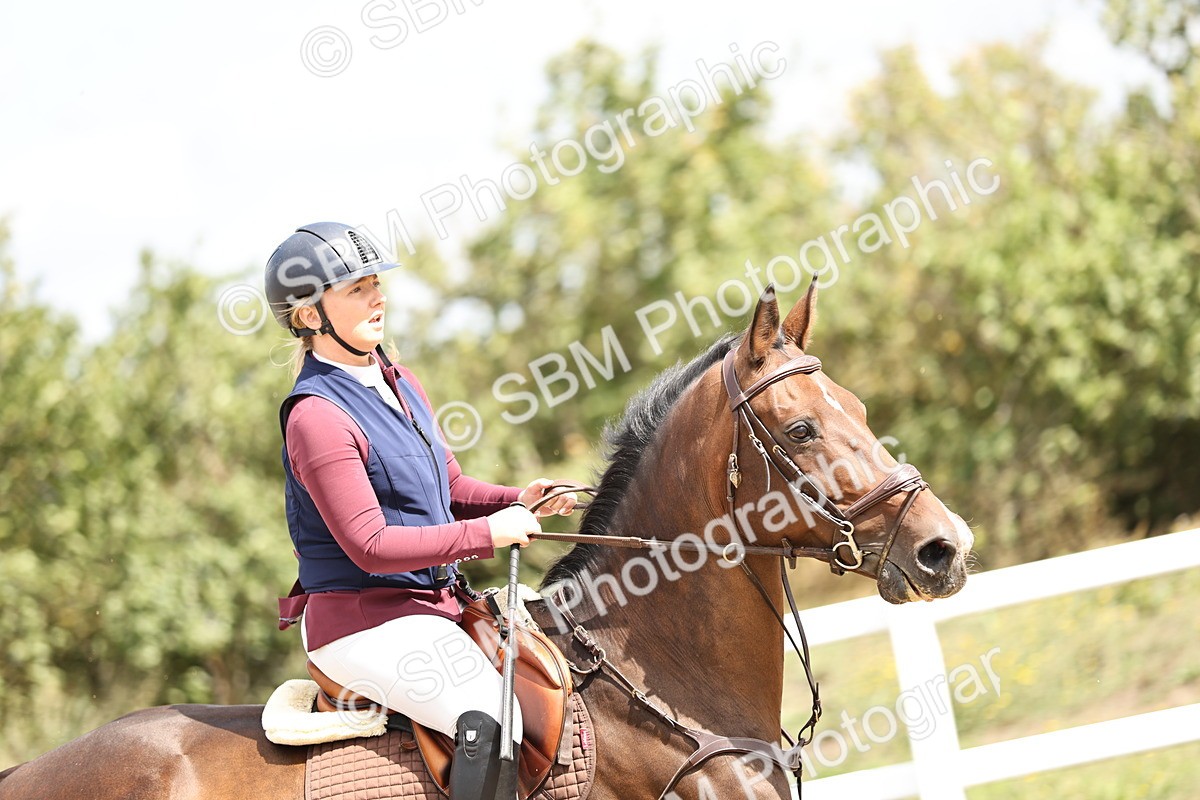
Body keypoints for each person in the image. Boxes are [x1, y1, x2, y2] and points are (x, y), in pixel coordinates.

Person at [264, 222, 576, 798]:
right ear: (310, 315)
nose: (377, 296)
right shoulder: (316, 417)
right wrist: (489, 534)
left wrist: (519, 499)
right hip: (362, 622)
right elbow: (370, 545)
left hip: (430, 605)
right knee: (496, 721)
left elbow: (449, 485)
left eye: (375, 282)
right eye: (356, 289)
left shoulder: (400, 381)